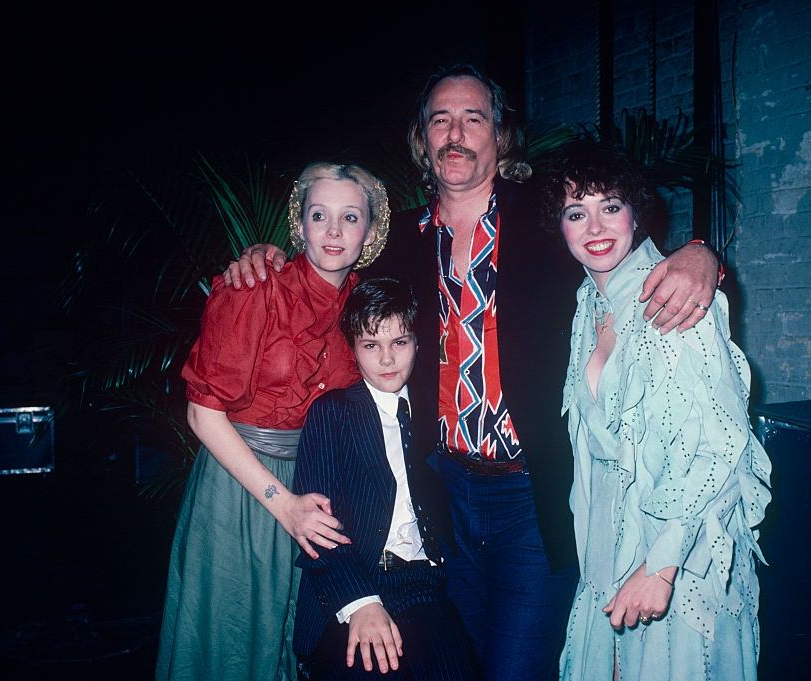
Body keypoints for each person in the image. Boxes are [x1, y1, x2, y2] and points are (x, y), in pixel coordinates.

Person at [224, 64, 721, 680]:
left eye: (473, 118)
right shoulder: (398, 238)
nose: (455, 133)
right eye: (441, 120)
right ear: (423, 139)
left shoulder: (546, 216)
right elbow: (330, 273)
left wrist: (701, 253)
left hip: (532, 499)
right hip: (443, 495)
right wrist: (269, 258)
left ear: (499, 135)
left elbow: (617, 240)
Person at [542, 138, 771, 681]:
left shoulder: (676, 293)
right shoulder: (586, 306)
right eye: (577, 212)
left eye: (611, 207)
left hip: (679, 557)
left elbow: (719, 447)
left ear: (635, 212)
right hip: (605, 554)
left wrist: (660, 568)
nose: (595, 227)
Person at [155, 162, 392, 681]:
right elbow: (202, 412)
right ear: (299, 224)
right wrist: (282, 505)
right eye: (319, 215)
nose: (333, 231)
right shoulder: (253, 289)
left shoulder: (365, 306)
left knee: (295, 640)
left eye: (350, 217)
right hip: (241, 483)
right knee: (229, 639)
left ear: (370, 232)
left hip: (315, 483)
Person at [293, 275, 476, 680]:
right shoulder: (333, 414)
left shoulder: (435, 411)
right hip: (353, 580)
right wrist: (362, 602)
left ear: (417, 342)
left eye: (400, 342)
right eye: (371, 345)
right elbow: (317, 532)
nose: (388, 360)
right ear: (354, 350)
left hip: (422, 582)